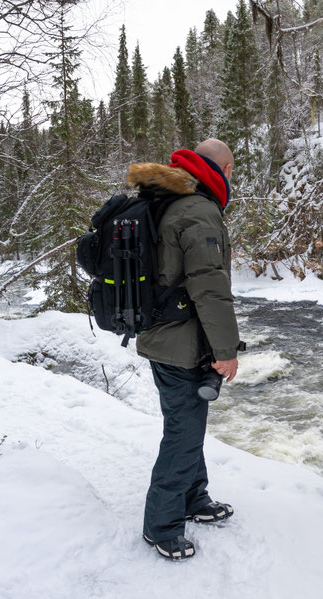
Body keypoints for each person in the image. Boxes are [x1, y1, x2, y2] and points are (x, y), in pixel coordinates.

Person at [128, 138, 242, 561]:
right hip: (181, 343)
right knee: (183, 433)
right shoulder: (198, 209)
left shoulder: (171, 198)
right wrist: (226, 350)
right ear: (224, 169)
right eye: (232, 171)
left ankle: (194, 499)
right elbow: (210, 288)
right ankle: (161, 526)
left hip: (165, 336)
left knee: (186, 424)